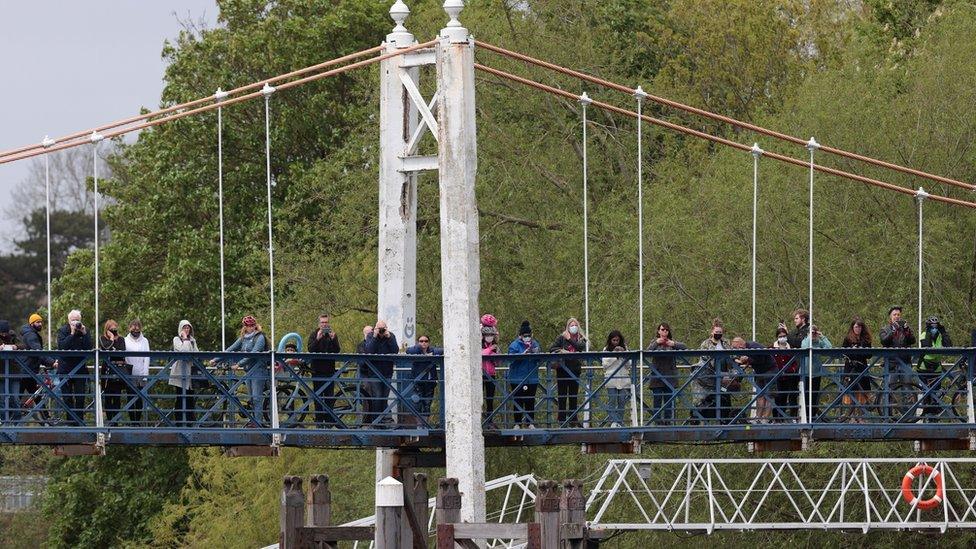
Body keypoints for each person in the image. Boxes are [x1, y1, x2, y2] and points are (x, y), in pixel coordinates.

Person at [212, 316, 270, 425]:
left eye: (252, 325)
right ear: (245, 327)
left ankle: (258, 424)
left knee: (257, 398)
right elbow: (231, 349)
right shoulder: (243, 338)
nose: (250, 328)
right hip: (248, 371)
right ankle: (253, 422)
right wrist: (216, 359)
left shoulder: (260, 337)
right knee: (252, 399)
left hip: (258, 371)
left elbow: (253, 354)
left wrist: (239, 364)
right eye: (248, 326)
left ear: (255, 325)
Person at [691, 319, 734, 423]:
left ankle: (724, 421)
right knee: (706, 400)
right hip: (709, 375)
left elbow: (731, 355)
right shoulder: (706, 343)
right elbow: (704, 358)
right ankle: (704, 423)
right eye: (716, 332)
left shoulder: (726, 342)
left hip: (723, 374)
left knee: (724, 398)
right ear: (712, 332)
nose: (718, 334)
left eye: (720, 332)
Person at [56, 309, 93, 425]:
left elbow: (88, 348)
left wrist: (84, 333)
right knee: (67, 397)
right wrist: (72, 334)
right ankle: (70, 421)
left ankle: (79, 421)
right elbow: (62, 347)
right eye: (73, 320)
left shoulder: (84, 330)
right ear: (68, 321)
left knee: (80, 396)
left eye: (77, 320)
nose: (75, 322)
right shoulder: (63, 330)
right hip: (65, 369)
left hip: (80, 369)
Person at [549, 317, 587, 426]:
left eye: (575, 325)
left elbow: (580, 347)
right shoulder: (561, 337)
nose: (573, 327)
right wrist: (560, 350)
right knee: (562, 395)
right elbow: (551, 348)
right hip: (562, 370)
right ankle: (562, 420)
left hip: (575, 370)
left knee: (573, 395)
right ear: (568, 327)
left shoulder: (581, 338)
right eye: (571, 325)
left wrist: (570, 339)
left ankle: (573, 419)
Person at [646, 323, 687, 425]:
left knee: (669, 403)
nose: (664, 331)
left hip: (670, 377)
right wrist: (656, 342)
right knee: (657, 401)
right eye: (662, 329)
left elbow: (685, 347)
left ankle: (668, 423)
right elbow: (647, 351)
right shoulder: (654, 342)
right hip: (657, 377)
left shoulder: (672, 343)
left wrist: (673, 344)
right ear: (658, 331)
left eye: (666, 330)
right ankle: (658, 423)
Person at [731, 337, 775, 423]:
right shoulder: (746, 349)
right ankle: (758, 417)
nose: (735, 350)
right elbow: (753, 361)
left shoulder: (753, 346)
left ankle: (765, 418)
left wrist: (748, 359)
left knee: (769, 395)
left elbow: (761, 359)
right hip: (760, 372)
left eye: (735, 348)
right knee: (760, 395)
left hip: (770, 370)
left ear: (740, 345)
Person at [307, 314, 341, 425]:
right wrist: (317, 338)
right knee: (318, 396)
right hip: (317, 371)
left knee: (329, 396)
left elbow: (337, 351)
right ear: (319, 323)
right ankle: (319, 420)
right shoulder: (314, 334)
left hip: (329, 371)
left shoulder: (332, 334)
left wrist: (333, 339)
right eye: (322, 322)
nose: (324, 324)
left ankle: (329, 420)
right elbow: (311, 349)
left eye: (326, 322)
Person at [19, 313, 56, 417]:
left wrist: (50, 361)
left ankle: (46, 418)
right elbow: (38, 352)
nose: (40, 324)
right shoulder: (31, 335)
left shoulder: (31, 334)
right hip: (26, 371)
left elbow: (38, 354)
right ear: (31, 324)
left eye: (40, 322)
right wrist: (52, 362)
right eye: (37, 322)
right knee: (19, 397)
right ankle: (9, 418)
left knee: (36, 395)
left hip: (28, 370)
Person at [363, 320, 399, 425]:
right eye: (379, 328)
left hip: (387, 372)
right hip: (374, 372)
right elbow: (369, 351)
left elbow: (395, 350)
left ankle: (383, 422)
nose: (381, 331)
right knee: (377, 397)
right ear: (375, 328)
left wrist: (389, 338)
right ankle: (376, 422)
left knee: (384, 398)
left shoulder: (391, 336)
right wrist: (374, 336)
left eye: (383, 328)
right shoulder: (371, 336)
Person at [508, 321, 541, 428]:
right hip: (517, 378)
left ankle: (530, 422)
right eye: (525, 336)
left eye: (529, 336)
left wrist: (535, 353)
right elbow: (510, 360)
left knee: (530, 401)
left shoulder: (535, 344)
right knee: (518, 401)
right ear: (520, 336)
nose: (527, 338)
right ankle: (517, 423)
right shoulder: (514, 345)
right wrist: (522, 355)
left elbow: (540, 360)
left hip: (532, 378)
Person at [919, 316, 952, 417]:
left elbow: (949, 346)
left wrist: (943, 332)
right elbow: (927, 346)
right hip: (924, 367)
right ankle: (926, 412)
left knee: (936, 392)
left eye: (936, 326)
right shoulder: (924, 334)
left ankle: (933, 414)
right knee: (926, 393)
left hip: (936, 368)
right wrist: (929, 332)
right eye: (932, 326)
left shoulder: (940, 335)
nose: (934, 328)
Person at [405, 335, 443, 422]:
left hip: (430, 382)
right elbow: (408, 351)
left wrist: (430, 353)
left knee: (427, 404)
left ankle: (425, 424)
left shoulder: (432, 350)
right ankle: (418, 424)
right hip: (418, 382)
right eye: (421, 341)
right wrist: (420, 349)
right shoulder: (415, 350)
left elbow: (440, 351)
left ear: (429, 343)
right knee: (416, 403)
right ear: (418, 343)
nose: (423, 343)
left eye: (426, 341)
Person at [841, 317, 873, 423]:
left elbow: (869, 355)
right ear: (852, 327)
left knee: (862, 391)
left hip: (862, 367)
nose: (858, 329)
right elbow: (843, 352)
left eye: (860, 327)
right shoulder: (848, 339)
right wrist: (853, 351)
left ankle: (861, 417)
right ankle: (852, 416)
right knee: (851, 391)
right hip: (850, 368)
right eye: (856, 327)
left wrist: (861, 350)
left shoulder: (866, 339)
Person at [801, 324, 833, 422]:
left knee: (814, 396)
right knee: (805, 396)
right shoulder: (805, 341)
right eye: (812, 332)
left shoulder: (819, 342)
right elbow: (805, 347)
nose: (814, 334)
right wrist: (809, 337)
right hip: (805, 373)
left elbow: (829, 348)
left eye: (815, 332)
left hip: (816, 373)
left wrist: (822, 336)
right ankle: (805, 417)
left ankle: (813, 416)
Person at [170, 320, 199, 426]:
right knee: (180, 398)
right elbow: (184, 352)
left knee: (190, 398)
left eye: (188, 327)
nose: (187, 330)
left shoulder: (193, 340)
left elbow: (196, 354)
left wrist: (188, 340)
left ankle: (190, 422)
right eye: (184, 327)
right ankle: (179, 422)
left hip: (190, 373)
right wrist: (185, 339)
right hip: (179, 373)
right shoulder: (176, 339)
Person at [98, 320, 127, 425]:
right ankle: (110, 420)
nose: (114, 329)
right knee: (108, 397)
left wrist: (114, 346)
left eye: (115, 327)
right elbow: (106, 349)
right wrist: (111, 340)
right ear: (107, 329)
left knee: (117, 397)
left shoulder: (121, 339)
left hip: (118, 370)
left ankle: (116, 422)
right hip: (107, 372)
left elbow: (121, 352)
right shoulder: (102, 339)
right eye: (111, 327)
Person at [601, 330, 630, 428]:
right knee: (612, 400)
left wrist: (623, 354)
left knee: (622, 401)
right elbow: (604, 365)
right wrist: (614, 354)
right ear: (610, 340)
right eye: (614, 340)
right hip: (611, 379)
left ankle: (620, 422)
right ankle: (614, 421)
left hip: (623, 379)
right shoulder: (606, 349)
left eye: (617, 340)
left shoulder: (625, 348)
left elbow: (629, 365)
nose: (616, 342)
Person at [124, 319, 150, 424]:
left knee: (139, 398)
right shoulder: (125, 340)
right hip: (129, 373)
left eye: (137, 327)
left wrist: (145, 374)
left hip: (141, 372)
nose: (135, 330)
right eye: (133, 327)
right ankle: (132, 421)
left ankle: (137, 421)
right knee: (130, 397)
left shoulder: (145, 341)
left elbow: (147, 358)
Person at [880, 306, 916, 374]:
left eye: (898, 315)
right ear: (890, 316)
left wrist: (906, 331)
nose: (897, 316)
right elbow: (884, 342)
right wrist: (893, 331)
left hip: (905, 362)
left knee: (907, 384)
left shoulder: (906, 329)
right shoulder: (885, 329)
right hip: (890, 363)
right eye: (894, 314)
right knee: (891, 384)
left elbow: (913, 341)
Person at [772, 326, 798, 420]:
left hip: (788, 377)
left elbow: (795, 362)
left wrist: (792, 370)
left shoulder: (790, 348)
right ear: (777, 337)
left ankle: (783, 418)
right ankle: (776, 419)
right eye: (780, 336)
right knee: (777, 398)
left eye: (784, 335)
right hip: (776, 377)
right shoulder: (772, 347)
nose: (782, 337)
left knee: (786, 397)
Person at [480, 314, 500, 426]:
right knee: (479, 399)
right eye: (487, 335)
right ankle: (479, 420)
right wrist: (489, 350)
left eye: (491, 335)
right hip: (480, 374)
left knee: (490, 398)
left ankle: (490, 420)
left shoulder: (495, 345)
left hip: (491, 373)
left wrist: (494, 353)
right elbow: (479, 354)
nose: (489, 336)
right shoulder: (479, 344)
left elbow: (498, 362)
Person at [0, 321, 22, 421]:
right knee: (2, 399)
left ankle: (17, 421)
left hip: (14, 372)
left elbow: (24, 345)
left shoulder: (13, 335)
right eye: (1, 333)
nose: (4, 335)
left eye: (5, 332)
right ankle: (4, 421)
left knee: (15, 398)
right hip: (1, 373)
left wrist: (15, 346)